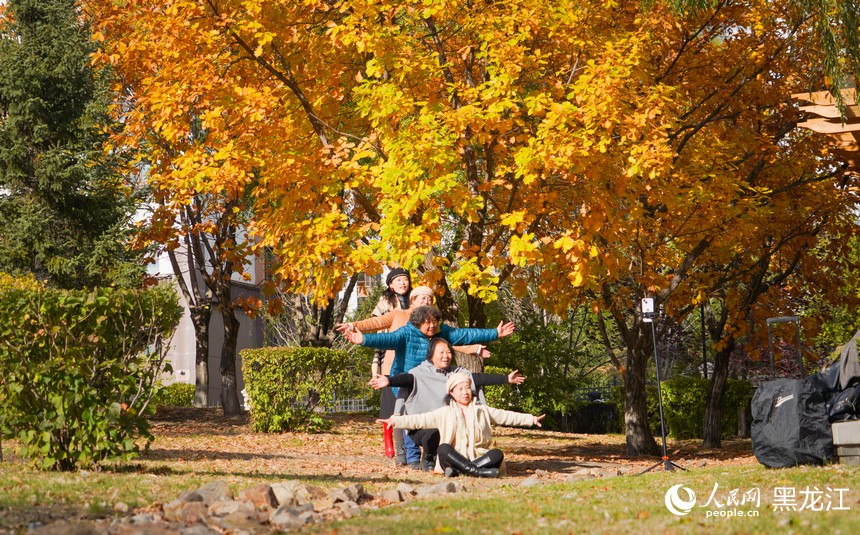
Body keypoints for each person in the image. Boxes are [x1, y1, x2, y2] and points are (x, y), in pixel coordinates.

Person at [369, 337, 525, 471]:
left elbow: (478, 378)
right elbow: (406, 379)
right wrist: (389, 381)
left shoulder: (457, 373)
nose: (446, 356)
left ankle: (462, 465)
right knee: (434, 431)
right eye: (441, 352)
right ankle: (428, 458)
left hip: (450, 426)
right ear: (431, 354)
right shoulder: (419, 372)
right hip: (423, 428)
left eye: (449, 352)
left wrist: (506, 379)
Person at [378, 372, 544, 478]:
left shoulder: (482, 410)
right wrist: (395, 420)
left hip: (478, 456)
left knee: (497, 454)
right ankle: (477, 472)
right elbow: (419, 419)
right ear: (451, 392)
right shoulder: (444, 412)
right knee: (443, 448)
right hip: (454, 458)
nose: (465, 392)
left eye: (467, 388)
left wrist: (531, 419)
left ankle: (464, 471)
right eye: (460, 389)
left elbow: (506, 416)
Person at [366, 267, 412, 463]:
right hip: (390, 352)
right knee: (390, 399)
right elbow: (376, 324)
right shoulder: (385, 302)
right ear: (391, 284)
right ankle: (390, 438)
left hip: (411, 352)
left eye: (405, 279)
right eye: (398, 280)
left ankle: (410, 440)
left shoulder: (415, 301)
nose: (403, 283)